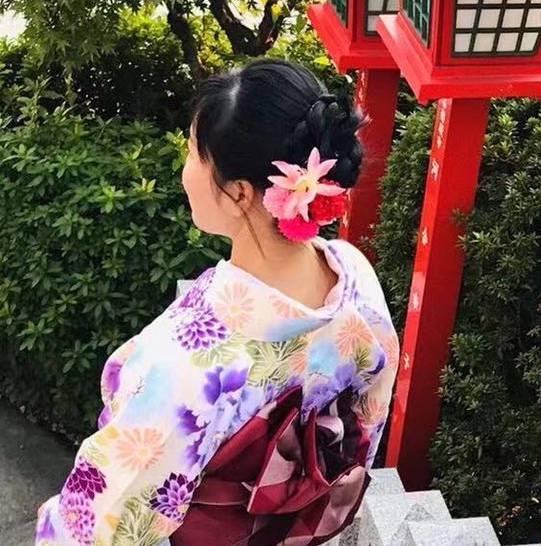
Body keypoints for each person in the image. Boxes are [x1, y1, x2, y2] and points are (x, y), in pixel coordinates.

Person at [35, 59, 398, 545]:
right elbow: (365, 427)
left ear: (240, 192)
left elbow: (93, 528)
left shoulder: (185, 367)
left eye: (191, 152)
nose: (184, 170)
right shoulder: (354, 277)